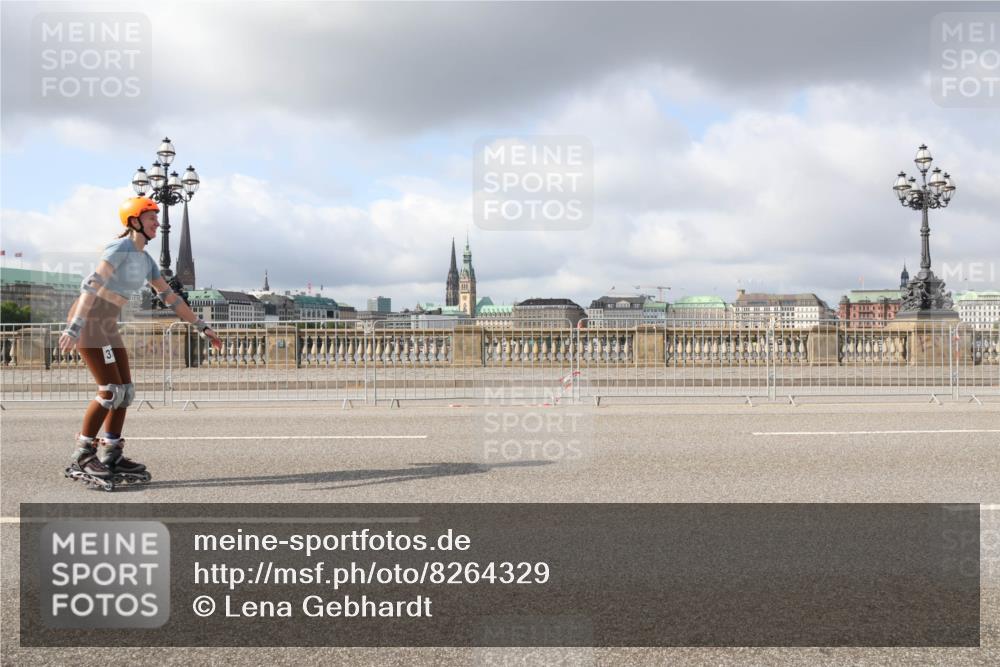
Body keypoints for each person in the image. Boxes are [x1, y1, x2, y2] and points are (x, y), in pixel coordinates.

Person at [58, 196, 223, 490]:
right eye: (151, 219)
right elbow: (92, 285)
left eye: (157, 218)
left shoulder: (146, 261)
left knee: (126, 392)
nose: (157, 223)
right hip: (91, 324)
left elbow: (171, 298)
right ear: (135, 221)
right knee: (109, 391)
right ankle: (84, 452)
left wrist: (202, 326)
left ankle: (112, 452)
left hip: (107, 325)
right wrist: (74, 327)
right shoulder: (119, 248)